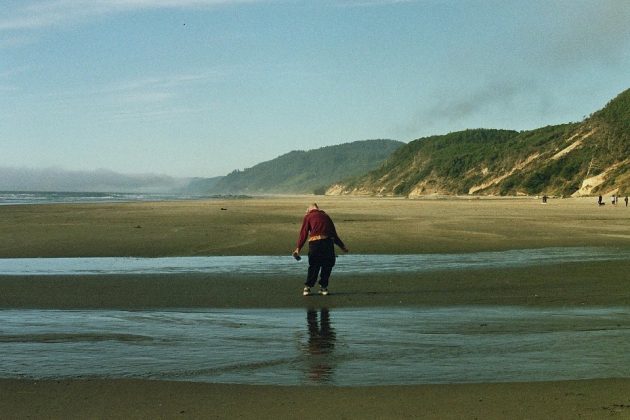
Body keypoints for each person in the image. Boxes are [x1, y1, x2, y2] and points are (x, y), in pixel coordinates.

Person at [293, 203, 348, 296]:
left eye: (307, 210)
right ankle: (323, 287)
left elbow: (303, 233)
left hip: (315, 243)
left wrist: (298, 248)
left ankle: (307, 288)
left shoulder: (308, 216)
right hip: (328, 242)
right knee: (328, 265)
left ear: (309, 209)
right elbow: (333, 234)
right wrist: (342, 246)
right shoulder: (326, 216)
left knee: (314, 265)